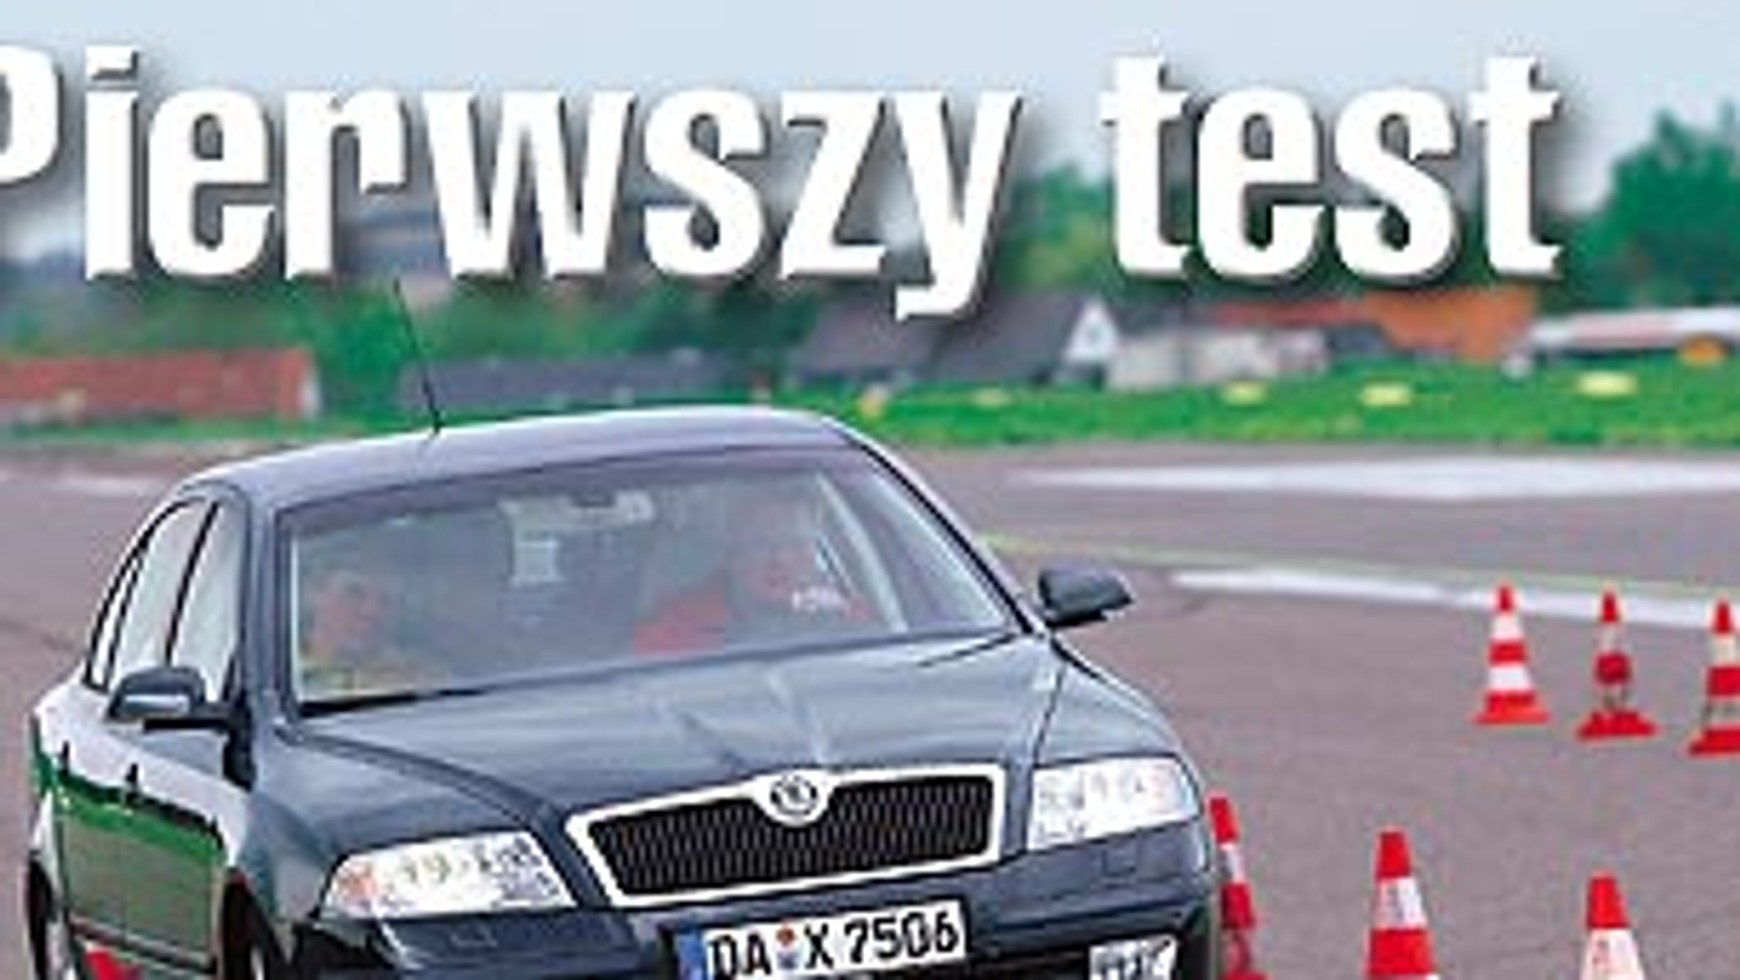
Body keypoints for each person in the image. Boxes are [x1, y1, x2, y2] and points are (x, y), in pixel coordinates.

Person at [633, 486, 865, 655]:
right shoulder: (677, 626)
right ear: (732, 554)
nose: (780, 560)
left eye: (795, 544)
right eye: (761, 544)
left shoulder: (848, 619)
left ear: (815, 553)